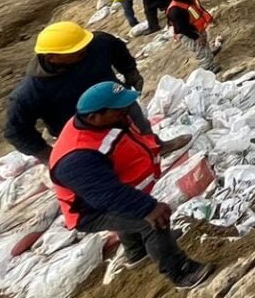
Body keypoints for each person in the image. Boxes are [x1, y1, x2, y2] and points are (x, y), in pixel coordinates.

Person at [49, 81, 211, 289]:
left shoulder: (103, 121)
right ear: (94, 116)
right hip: (90, 210)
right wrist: (148, 208)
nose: (125, 111)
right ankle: (181, 271)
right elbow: (107, 197)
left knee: (133, 211)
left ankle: (137, 253)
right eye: (118, 109)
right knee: (152, 220)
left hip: (111, 188)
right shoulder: (76, 158)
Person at [4, 21, 153, 160]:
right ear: (51, 57)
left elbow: (115, 47)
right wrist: (50, 155)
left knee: (144, 135)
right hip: (84, 133)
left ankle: (154, 146)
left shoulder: (95, 44)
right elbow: (16, 131)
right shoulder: (31, 92)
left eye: (84, 45)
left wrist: (130, 71)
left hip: (120, 105)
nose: (84, 50)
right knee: (114, 163)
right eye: (76, 51)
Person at [166, 0, 217, 72]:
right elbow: (181, 28)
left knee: (204, 46)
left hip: (197, 28)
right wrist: (196, 37)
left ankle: (210, 64)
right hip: (187, 33)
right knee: (201, 50)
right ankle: (208, 69)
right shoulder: (175, 10)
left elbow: (199, 10)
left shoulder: (190, 0)